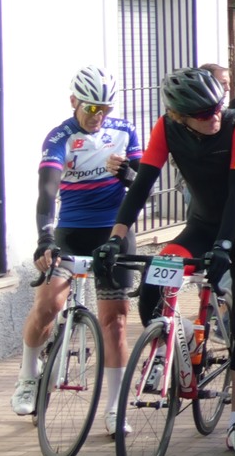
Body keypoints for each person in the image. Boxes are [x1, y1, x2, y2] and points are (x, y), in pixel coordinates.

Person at [105, 67, 235, 450]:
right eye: (203, 113)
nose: (214, 117)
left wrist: (225, 247)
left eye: (217, 107)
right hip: (201, 225)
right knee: (154, 282)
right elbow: (142, 183)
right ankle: (167, 347)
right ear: (179, 116)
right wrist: (115, 238)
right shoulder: (167, 127)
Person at [13, 67, 143, 426]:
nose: (98, 117)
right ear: (73, 102)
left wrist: (127, 175)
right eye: (90, 109)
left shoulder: (125, 132)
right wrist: (45, 238)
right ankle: (27, 376)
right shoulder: (61, 136)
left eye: (105, 109)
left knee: (114, 321)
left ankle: (115, 407)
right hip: (71, 229)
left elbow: (142, 182)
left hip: (114, 233)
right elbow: (47, 191)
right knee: (49, 304)